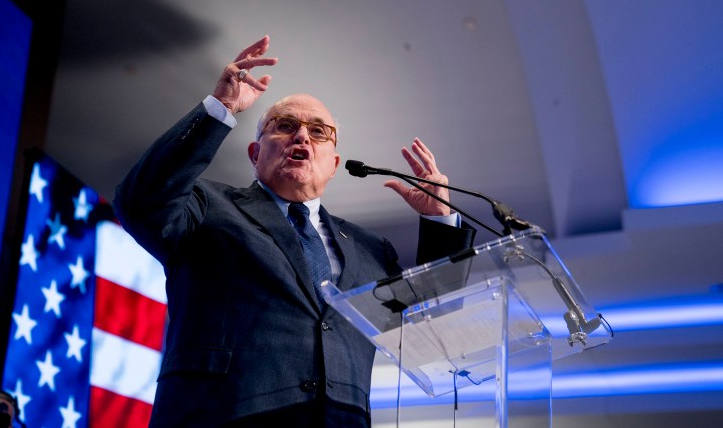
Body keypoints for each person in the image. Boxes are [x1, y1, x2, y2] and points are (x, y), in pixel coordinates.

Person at [114, 35, 475, 427]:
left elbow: (432, 327)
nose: (302, 136)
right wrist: (220, 109)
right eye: (285, 126)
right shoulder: (206, 206)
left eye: (319, 131)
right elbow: (140, 203)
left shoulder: (372, 250)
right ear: (255, 154)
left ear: (333, 164)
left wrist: (441, 220)